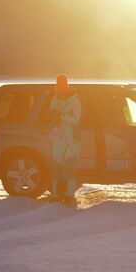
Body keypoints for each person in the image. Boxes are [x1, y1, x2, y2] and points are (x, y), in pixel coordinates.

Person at [48, 74, 81, 205]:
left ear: (66, 90)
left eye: (61, 92)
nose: (59, 94)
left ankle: (69, 194)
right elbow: (51, 115)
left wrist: (61, 116)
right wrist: (51, 116)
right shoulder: (54, 100)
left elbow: (76, 120)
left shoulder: (75, 102)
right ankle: (55, 194)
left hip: (72, 140)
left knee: (69, 167)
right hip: (58, 139)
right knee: (56, 168)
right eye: (58, 92)